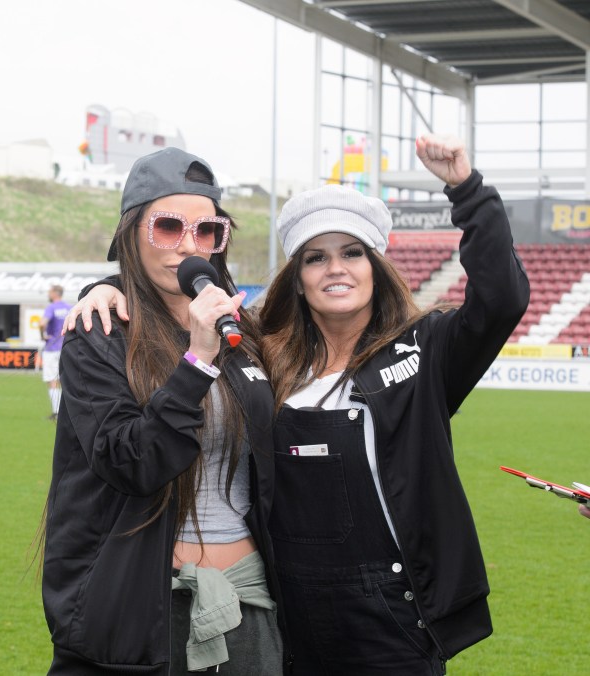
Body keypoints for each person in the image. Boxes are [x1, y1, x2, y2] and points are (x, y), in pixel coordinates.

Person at [67, 134, 530, 674]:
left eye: (352, 253)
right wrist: (105, 287)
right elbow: (162, 298)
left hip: (393, 613)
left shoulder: (425, 349)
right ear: (299, 278)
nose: (336, 269)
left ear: (376, 265)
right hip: (292, 608)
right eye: (316, 258)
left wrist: (467, 190)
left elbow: (502, 299)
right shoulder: (265, 351)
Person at [42, 148, 285, 674]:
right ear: (131, 232)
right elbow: (134, 463)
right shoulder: (102, 329)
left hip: (251, 602)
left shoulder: (243, 330)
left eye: (206, 231)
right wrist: (196, 360)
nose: (187, 246)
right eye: (168, 227)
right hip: (145, 609)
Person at [40, 284, 71, 421]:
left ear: (54, 293)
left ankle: (57, 411)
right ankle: (70, 412)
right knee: (67, 379)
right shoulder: (69, 307)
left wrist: (43, 336)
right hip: (67, 347)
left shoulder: (51, 307)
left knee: (52, 379)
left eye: (49, 291)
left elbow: (42, 323)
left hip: (52, 348)